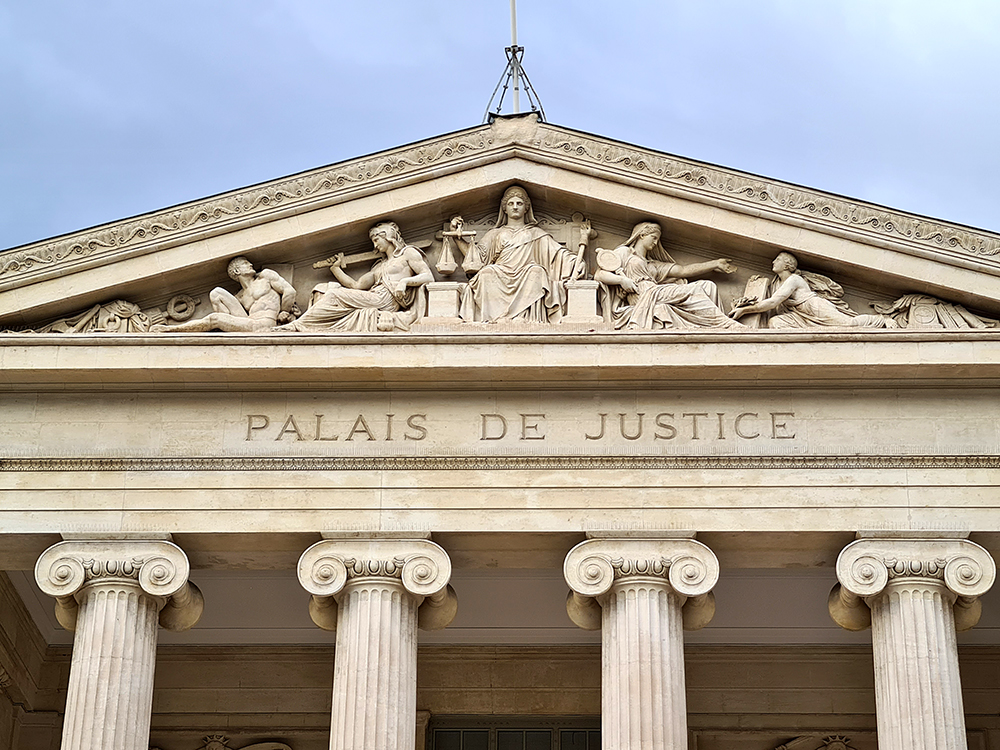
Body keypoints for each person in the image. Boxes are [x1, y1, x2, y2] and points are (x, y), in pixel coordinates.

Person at [457, 185, 585, 323]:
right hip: (500, 271)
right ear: (505, 208)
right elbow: (476, 258)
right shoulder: (494, 234)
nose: (515, 207)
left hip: (526, 271)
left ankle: (523, 316)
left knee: (536, 271)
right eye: (511, 204)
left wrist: (577, 262)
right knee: (486, 273)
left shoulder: (536, 233)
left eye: (519, 203)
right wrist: (456, 238)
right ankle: (496, 317)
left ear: (526, 208)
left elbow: (558, 254)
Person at [281, 221, 432, 332]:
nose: (375, 246)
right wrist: (335, 269)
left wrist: (405, 282)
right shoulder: (379, 266)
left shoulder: (408, 253)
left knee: (334, 294)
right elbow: (356, 286)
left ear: (387, 236)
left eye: (376, 240)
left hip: (385, 300)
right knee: (328, 290)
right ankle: (307, 324)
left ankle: (298, 325)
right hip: (374, 297)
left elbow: (427, 276)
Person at [594, 221, 744, 330]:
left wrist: (715, 263)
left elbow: (683, 271)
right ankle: (724, 324)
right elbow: (600, 275)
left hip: (656, 291)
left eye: (657, 239)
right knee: (694, 290)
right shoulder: (625, 252)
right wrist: (621, 280)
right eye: (653, 237)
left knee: (707, 285)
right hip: (644, 295)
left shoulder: (653, 264)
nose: (656, 242)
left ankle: (712, 327)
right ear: (642, 235)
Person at [729, 252, 898, 329]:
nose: (773, 261)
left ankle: (882, 319)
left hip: (815, 309)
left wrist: (744, 310)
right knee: (775, 323)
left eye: (778, 259)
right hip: (799, 316)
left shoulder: (794, 279)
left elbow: (773, 302)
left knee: (848, 324)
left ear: (788, 265)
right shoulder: (775, 283)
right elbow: (769, 304)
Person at [151, 256, 296, 332]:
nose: (250, 264)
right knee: (216, 293)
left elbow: (290, 291)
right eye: (245, 263)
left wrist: (284, 311)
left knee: (215, 319)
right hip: (250, 323)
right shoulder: (239, 297)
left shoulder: (265, 276)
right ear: (237, 271)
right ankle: (226, 329)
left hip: (266, 323)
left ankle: (171, 329)